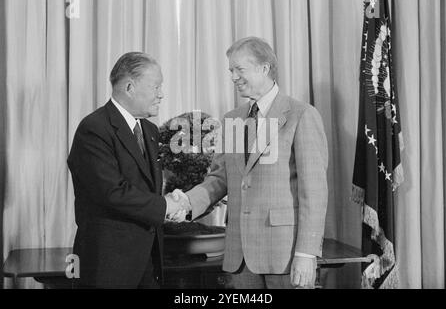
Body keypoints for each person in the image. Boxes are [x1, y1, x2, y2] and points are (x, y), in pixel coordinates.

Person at [170, 37, 328, 289]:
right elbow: (220, 179)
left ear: (264, 68)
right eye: (230, 70)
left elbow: (315, 193)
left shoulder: (301, 115)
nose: (233, 77)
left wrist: (307, 254)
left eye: (239, 69)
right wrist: (186, 202)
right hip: (239, 256)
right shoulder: (232, 119)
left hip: (285, 256)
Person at [67, 52, 183, 288]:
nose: (161, 94)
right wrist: (165, 206)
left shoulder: (150, 130)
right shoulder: (94, 129)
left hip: (148, 263)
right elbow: (111, 192)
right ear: (129, 87)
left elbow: (145, 189)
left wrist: (171, 200)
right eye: (156, 86)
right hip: (108, 265)